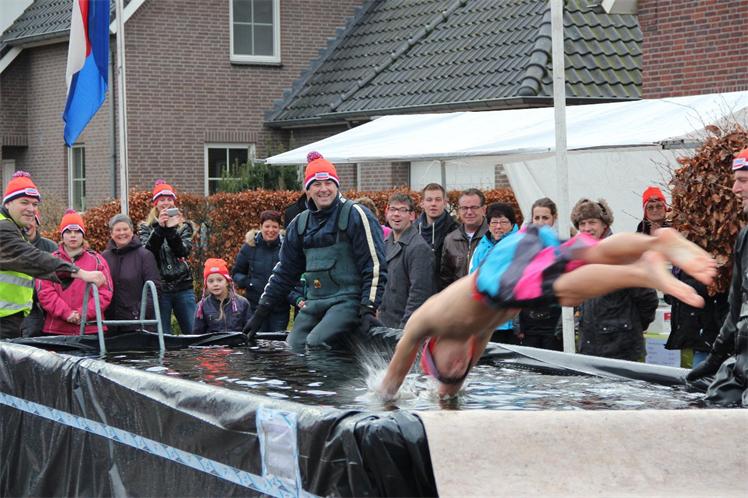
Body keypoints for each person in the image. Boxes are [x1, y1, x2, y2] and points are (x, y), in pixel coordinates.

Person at [377, 224, 716, 400]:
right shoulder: (477, 337)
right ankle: (656, 243)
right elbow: (451, 390)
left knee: (564, 290)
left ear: (434, 347)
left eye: (447, 367)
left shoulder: (428, 320)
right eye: (459, 371)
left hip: (500, 271)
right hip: (518, 259)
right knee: (588, 254)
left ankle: (641, 271)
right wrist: (447, 394)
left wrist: (382, 398)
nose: (457, 368)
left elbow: (395, 373)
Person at [244, 151, 387, 349]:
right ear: (308, 190)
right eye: (317, 184)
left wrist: (368, 309)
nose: (324, 189)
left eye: (329, 183)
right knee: (293, 345)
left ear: (337, 186)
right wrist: (261, 311)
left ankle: (339, 370)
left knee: (316, 343)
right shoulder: (299, 224)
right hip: (315, 302)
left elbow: (375, 266)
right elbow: (284, 272)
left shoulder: (356, 215)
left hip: (349, 302)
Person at [0, 172, 106, 339]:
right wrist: (80, 273)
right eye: (24, 202)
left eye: (35, 204)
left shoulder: (15, 229)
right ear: (7, 203)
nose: (31, 209)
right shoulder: (3, 228)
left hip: (11, 319)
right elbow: (32, 258)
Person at [686, 148, 748, 405]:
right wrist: (714, 359)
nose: (735, 189)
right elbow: (735, 308)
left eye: (743, 180)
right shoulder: (745, 238)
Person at [573, 198, 659, 361]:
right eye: (582, 224)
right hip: (590, 348)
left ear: (604, 224)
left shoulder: (622, 253)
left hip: (622, 348)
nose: (587, 228)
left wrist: (630, 326)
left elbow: (647, 297)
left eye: (592, 222)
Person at [37, 210, 113, 335]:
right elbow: (44, 292)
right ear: (62, 235)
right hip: (56, 329)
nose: (73, 235)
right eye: (68, 231)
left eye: (77, 231)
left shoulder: (97, 260)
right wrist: (66, 313)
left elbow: (105, 293)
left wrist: (83, 314)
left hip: (91, 329)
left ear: (83, 234)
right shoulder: (50, 261)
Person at [138, 180, 196, 335]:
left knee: (192, 331)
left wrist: (171, 230)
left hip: (183, 286)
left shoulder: (184, 226)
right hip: (160, 288)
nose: (166, 203)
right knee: (162, 335)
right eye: (162, 200)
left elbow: (183, 251)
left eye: (169, 199)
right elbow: (147, 254)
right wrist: (160, 229)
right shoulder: (145, 227)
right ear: (155, 204)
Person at [379, 193, 435, 329]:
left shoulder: (419, 248)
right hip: (384, 325)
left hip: (403, 327)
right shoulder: (385, 244)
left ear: (412, 215)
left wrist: (404, 331)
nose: (396, 214)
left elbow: (419, 295)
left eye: (403, 210)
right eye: (392, 209)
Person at [231, 210, 291, 332]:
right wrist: (249, 283)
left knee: (277, 341)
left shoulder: (287, 248)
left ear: (279, 228)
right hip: (255, 306)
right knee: (256, 339)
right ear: (260, 227)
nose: (271, 230)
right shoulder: (249, 247)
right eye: (267, 226)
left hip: (280, 308)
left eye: (274, 227)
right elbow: (236, 273)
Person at [515, 197, 562, 350]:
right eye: (537, 218)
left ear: (554, 218)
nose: (541, 222)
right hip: (529, 322)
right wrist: (518, 323)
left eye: (545, 218)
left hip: (554, 322)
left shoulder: (562, 245)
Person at [469, 202, 519, 343]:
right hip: (485, 318)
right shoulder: (482, 247)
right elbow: (472, 279)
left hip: (510, 321)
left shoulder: (519, 245)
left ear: (512, 224)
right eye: (494, 222)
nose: (498, 227)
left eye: (503, 222)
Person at [103, 214, 161, 333]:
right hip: (110, 325)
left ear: (132, 231)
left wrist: (139, 313)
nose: (122, 233)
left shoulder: (145, 256)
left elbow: (154, 289)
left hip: (138, 325)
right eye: (118, 230)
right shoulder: (104, 257)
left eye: (125, 229)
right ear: (111, 233)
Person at [439, 188, 488, 290]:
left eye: (474, 207)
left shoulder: (492, 237)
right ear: (459, 211)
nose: (469, 212)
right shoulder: (450, 240)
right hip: (460, 297)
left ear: (483, 210)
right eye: (464, 208)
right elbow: (446, 279)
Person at [20, 212, 57, 337]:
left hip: (43, 305)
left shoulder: (50, 247)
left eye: (31, 219)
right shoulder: (13, 246)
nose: (28, 224)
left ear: (37, 223)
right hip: (17, 304)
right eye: (25, 220)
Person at [415, 183, 458, 287]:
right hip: (418, 292)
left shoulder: (456, 231)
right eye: (429, 200)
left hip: (446, 292)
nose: (433, 204)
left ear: (445, 203)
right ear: (422, 203)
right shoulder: (412, 231)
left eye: (438, 200)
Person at [194, 258, 251, 333]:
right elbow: (197, 335)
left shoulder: (242, 303)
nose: (215, 284)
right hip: (212, 341)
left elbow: (249, 331)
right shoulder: (202, 307)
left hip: (237, 340)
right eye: (211, 281)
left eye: (219, 280)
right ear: (206, 284)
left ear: (227, 281)